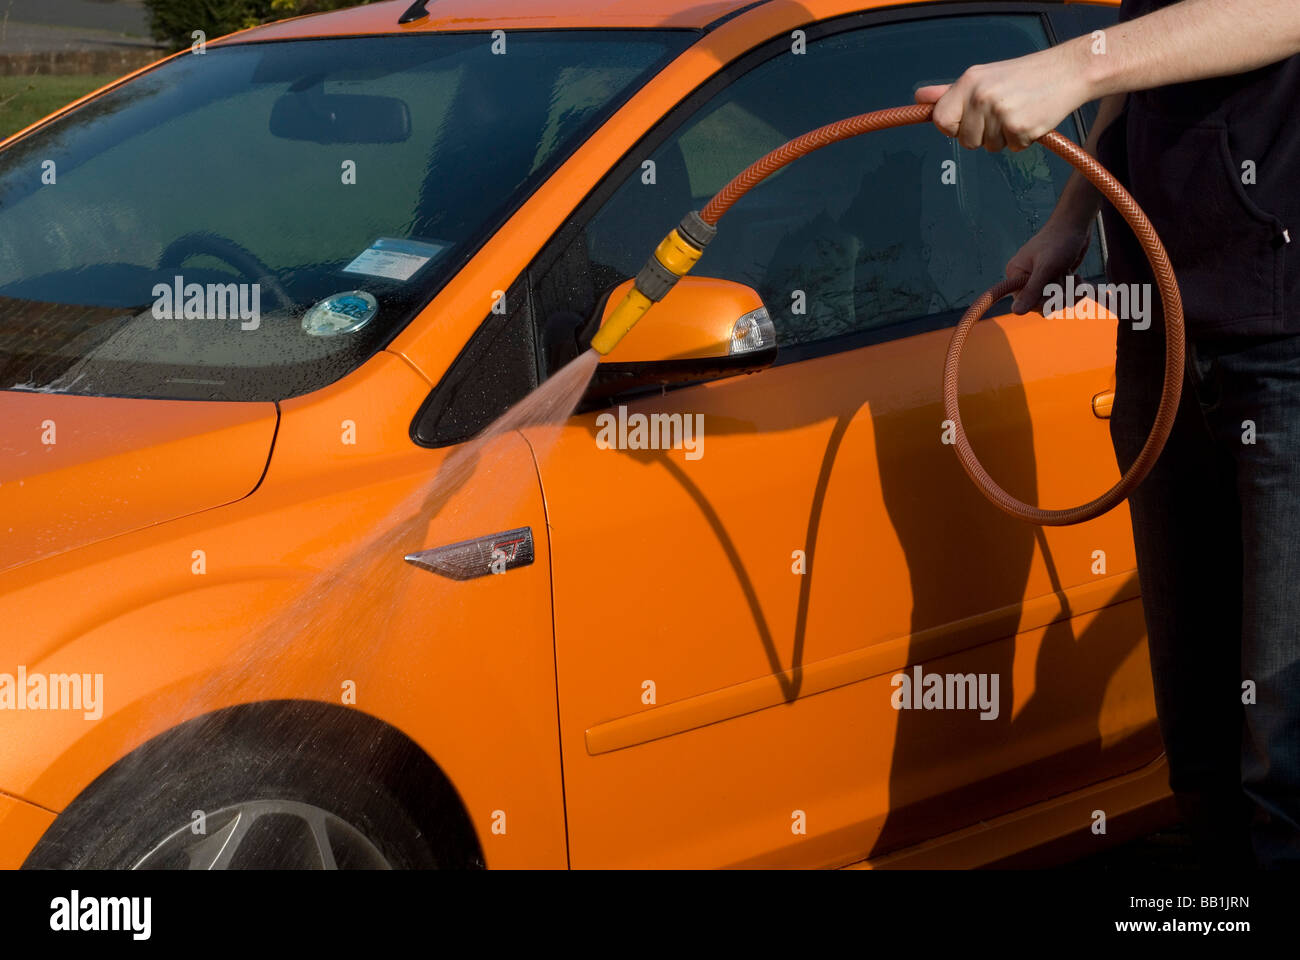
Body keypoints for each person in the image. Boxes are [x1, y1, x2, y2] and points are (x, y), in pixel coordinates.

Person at [916, 0, 1300, 868]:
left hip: (1284, 342)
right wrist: (1070, 218)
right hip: (1161, 331)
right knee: (1198, 737)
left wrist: (1073, 67)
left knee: (1286, 753)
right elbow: (1138, 59)